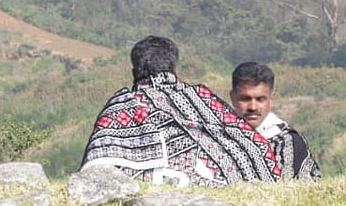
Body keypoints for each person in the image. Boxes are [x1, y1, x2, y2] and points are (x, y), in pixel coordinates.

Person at [80, 36, 281, 186]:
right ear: (174, 71)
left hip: (143, 189)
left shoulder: (121, 105)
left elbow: (94, 164)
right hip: (227, 186)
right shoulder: (204, 100)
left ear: (134, 74)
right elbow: (247, 140)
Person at [230, 61, 321, 181]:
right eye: (245, 99)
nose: (253, 107)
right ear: (233, 98)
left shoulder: (288, 142)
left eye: (260, 99)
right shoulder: (218, 135)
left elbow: (287, 186)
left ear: (271, 99)